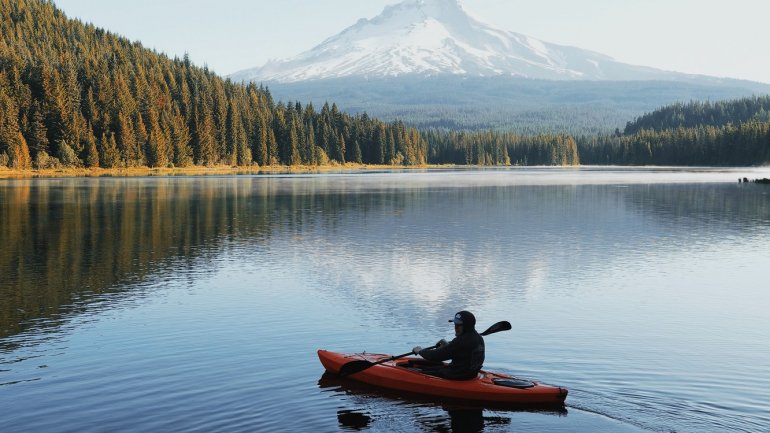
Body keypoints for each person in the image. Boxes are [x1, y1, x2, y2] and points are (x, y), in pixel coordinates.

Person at [411, 311, 485, 380]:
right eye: (455, 324)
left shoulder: (460, 342)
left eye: (458, 325)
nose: (455, 328)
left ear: (467, 326)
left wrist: (420, 351)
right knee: (429, 367)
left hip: (457, 377)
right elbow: (461, 351)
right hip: (469, 374)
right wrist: (447, 345)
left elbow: (434, 356)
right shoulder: (478, 338)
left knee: (416, 372)